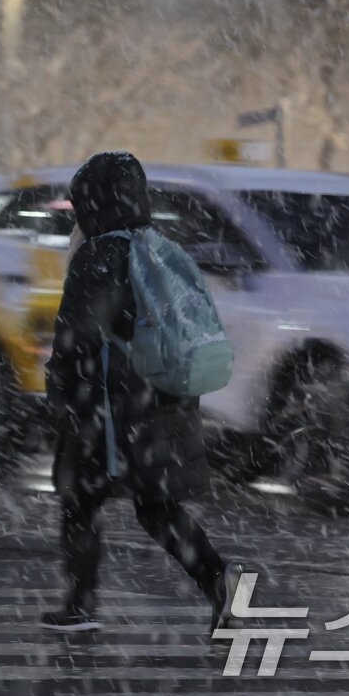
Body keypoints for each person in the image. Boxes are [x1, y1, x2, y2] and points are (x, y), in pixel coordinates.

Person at [40, 151, 243, 632]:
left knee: (79, 498)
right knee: (157, 505)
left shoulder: (99, 254)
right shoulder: (158, 247)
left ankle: (81, 603)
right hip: (164, 395)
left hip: (108, 402)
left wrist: (59, 387)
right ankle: (218, 579)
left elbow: (77, 333)